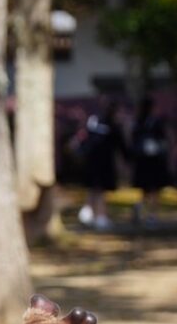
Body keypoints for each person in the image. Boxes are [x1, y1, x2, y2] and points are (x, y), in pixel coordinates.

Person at [73, 98, 128, 230]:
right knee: (100, 190)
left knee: (93, 189)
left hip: (91, 162)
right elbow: (121, 146)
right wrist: (129, 158)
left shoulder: (94, 121)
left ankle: (88, 213)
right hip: (103, 164)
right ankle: (100, 217)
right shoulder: (112, 125)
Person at [129, 95, 171, 226]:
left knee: (146, 189)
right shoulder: (154, 122)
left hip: (143, 161)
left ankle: (140, 206)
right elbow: (163, 140)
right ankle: (152, 216)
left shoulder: (138, 122)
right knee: (154, 190)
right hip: (153, 161)